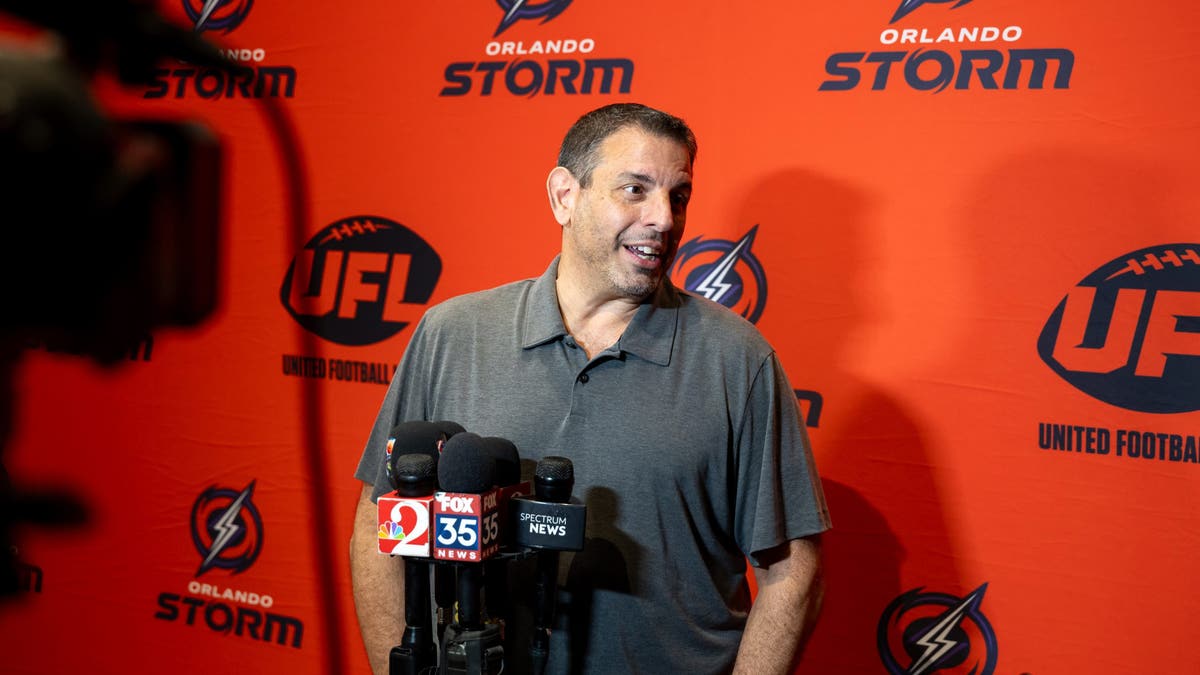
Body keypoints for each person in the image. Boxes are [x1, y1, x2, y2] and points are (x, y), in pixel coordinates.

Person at [349, 102, 830, 675]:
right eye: (635, 189)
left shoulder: (739, 360)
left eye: (678, 196)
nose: (664, 219)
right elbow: (381, 522)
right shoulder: (452, 333)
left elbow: (792, 571)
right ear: (564, 196)